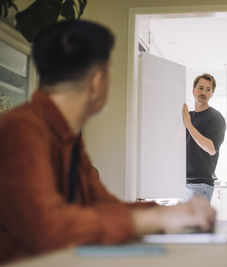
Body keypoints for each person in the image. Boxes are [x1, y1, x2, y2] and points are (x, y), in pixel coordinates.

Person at [0, 20, 215, 264]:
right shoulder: (20, 131)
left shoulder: (66, 140)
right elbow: (46, 227)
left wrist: (167, 212)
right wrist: (152, 220)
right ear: (96, 81)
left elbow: (102, 205)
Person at [182, 74, 226, 202]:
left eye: (208, 90)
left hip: (200, 185)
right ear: (193, 90)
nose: (204, 93)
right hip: (182, 182)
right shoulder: (188, 116)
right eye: (200, 88)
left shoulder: (215, 117)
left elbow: (211, 149)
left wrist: (189, 125)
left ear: (212, 94)